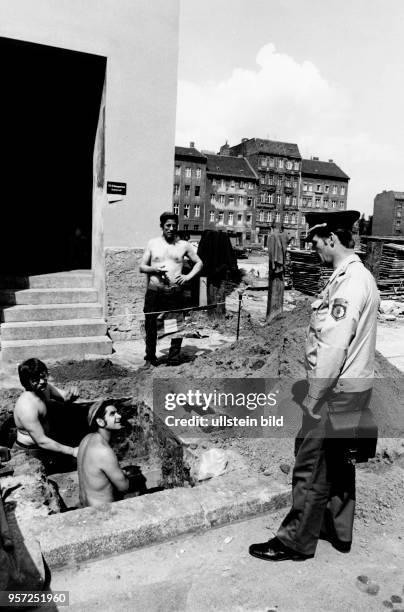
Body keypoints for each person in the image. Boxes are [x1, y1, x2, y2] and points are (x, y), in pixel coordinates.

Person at [249, 210, 380, 561]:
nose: (315, 248)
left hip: (333, 391)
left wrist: (314, 395)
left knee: (310, 465)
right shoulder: (356, 277)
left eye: (317, 241)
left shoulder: (349, 283)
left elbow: (334, 344)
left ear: (332, 239)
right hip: (353, 389)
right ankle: (338, 531)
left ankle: (294, 541)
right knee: (338, 464)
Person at [139, 211, 203, 366]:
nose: (171, 228)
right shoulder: (153, 243)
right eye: (168, 225)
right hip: (155, 291)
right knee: (151, 324)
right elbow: (142, 266)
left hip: (175, 292)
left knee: (175, 325)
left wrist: (187, 277)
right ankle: (150, 358)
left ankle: (173, 358)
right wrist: (154, 270)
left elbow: (199, 263)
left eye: (174, 225)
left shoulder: (183, 245)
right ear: (162, 226)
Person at [13, 358, 79, 467]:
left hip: (46, 445)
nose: (42, 381)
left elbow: (66, 397)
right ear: (26, 381)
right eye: (35, 379)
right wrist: (72, 451)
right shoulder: (27, 406)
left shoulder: (45, 388)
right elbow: (41, 441)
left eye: (43, 376)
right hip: (29, 452)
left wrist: (73, 391)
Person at [77, 400, 129, 507]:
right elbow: (124, 487)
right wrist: (124, 474)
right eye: (112, 414)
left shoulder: (85, 439)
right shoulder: (104, 451)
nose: (119, 416)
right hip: (102, 514)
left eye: (117, 412)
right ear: (100, 422)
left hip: (84, 507)